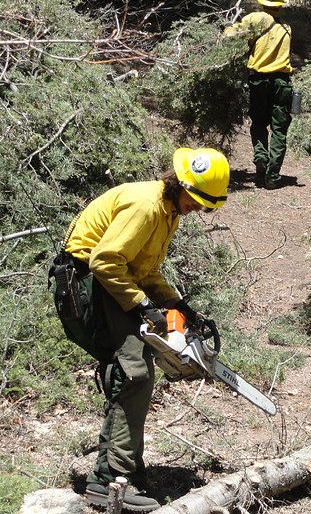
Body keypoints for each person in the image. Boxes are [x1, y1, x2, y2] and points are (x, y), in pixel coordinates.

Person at [54, 147, 230, 511]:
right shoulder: (147, 207)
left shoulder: (168, 211)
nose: (197, 209)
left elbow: (145, 270)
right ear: (179, 184)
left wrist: (177, 304)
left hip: (107, 280)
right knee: (133, 372)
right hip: (86, 282)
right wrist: (144, 306)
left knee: (135, 371)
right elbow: (105, 261)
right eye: (195, 201)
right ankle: (108, 480)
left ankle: (126, 465)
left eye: (203, 204)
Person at [225, 0, 294, 189]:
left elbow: (230, 36)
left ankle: (261, 159)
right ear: (281, 6)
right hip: (282, 82)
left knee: (258, 123)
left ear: (262, 2)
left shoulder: (254, 18)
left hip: (258, 81)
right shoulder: (287, 28)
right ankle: (272, 177)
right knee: (279, 129)